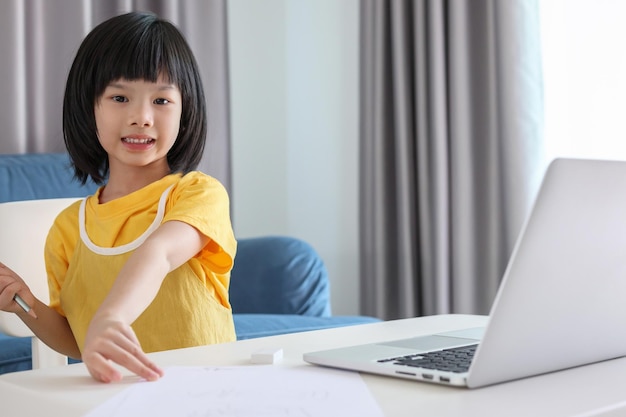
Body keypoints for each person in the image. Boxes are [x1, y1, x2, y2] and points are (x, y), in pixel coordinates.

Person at [0, 11, 237, 383]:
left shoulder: (198, 194)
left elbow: (158, 254)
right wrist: (22, 302)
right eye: (120, 97)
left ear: (185, 112)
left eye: (161, 101)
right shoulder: (67, 229)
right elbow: (80, 339)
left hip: (208, 391)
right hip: (116, 399)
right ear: (88, 108)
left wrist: (111, 317)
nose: (141, 116)